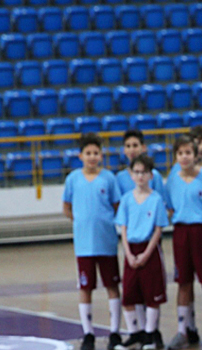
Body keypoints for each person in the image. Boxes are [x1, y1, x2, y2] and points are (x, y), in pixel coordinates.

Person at [165, 135, 202, 349]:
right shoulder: (172, 181)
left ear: (195, 155)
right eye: (180, 153)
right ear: (176, 156)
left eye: (188, 153)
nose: (184, 157)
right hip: (181, 232)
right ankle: (183, 330)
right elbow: (171, 208)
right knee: (183, 283)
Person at [62, 133, 122, 350]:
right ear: (80, 156)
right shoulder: (73, 179)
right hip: (84, 244)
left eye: (96, 152)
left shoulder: (109, 178)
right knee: (86, 287)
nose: (92, 157)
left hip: (106, 242)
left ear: (101, 155)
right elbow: (66, 207)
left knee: (112, 285)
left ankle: (115, 331)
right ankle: (88, 332)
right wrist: (81, 221)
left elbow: (117, 206)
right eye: (88, 153)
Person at [115, 154, 168, 350]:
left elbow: (158, 229)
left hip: (149, 250)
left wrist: (146, 254)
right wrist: (128, 254)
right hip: (132, 249)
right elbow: (124, 228)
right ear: (131, 174)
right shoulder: (127, 199)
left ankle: (149, 333)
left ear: (150, 175)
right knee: (128, 294)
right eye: (136, 172)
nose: (140, 176)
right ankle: (134, 332)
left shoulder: (156, 199)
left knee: (152, 294)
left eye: (144, 172)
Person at [117, 130, 165, 200]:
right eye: (128, 146)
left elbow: (161, 201)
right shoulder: (120, 177)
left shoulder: (155, 175)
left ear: (143, 148)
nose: (131, 149)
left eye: (135, 145)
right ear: (124, 150)